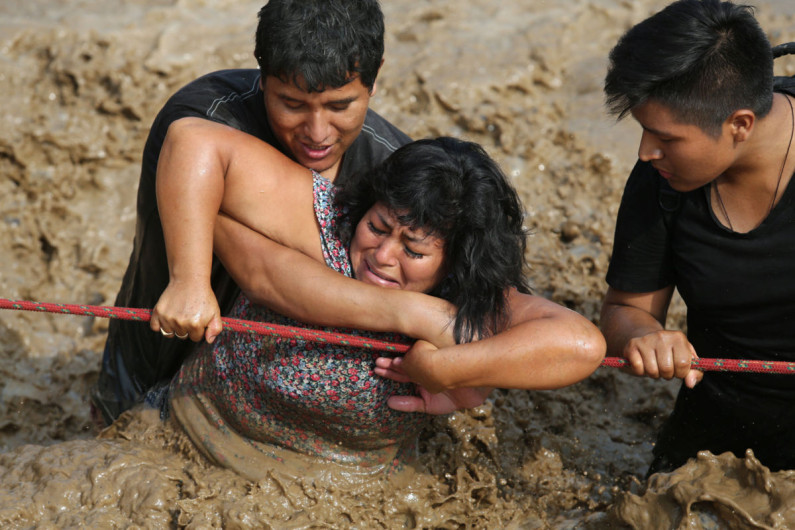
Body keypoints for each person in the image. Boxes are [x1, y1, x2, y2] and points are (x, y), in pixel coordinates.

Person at [151, 125, 606, 479]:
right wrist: (189, 280)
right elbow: (191, 140)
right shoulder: (329, 221)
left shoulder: (468, 302)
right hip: (190, 433)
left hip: (342, 486)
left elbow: (581, 345)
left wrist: (451, 370)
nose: (383, 256)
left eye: (414, 251)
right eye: (379, 226)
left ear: (455, 267)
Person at [91, 0, 412, 425]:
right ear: (263, 80)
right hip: (153, 365)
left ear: (374, 80)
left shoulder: (397, 171)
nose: (317, 132)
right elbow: (262, 272)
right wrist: (188, 281)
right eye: (293, 104)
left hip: (282, 410)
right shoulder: (206, 119)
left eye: (340, 106)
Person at [600, 0, 795, 475]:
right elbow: (624, 311)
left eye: (665, 137)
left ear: (740, 125)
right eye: (644, 131)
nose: (646, 152)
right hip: (721, 415)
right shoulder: (661, 180)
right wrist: (647, 337)